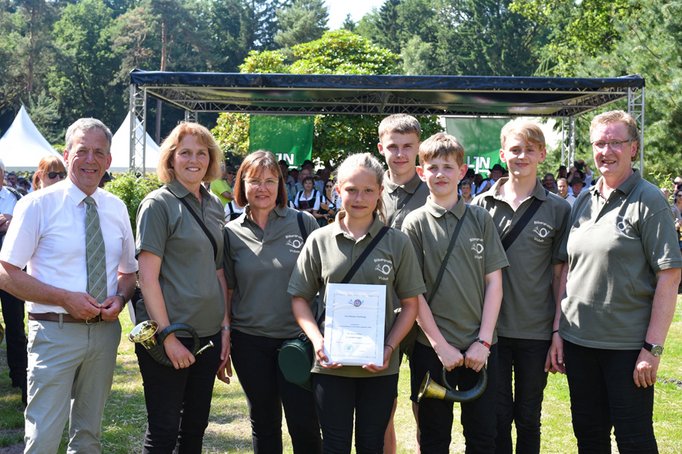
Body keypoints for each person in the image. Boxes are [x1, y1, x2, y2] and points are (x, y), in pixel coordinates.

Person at [0, 118, 137, 453]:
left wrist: (120, 299)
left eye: (99, 152)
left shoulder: (116, 208)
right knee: (43, 437)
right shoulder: (36, 205)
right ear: (66, 154)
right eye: (82, 151)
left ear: (108, 160)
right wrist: (64, 298)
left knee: (89, 437)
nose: (90, 159)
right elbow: (6, 272)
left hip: (104, 336)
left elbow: (128, 273)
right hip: (53, 333)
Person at [556, 110, 682, 452]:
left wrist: (652, 349)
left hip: (627, 349)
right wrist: (557, 332)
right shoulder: (582, 199)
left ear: (634, 148)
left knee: (634, 440)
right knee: (589, 436)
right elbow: (568, 270)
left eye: (616, 142)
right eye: (599, 143)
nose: (606, 151)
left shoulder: (649, 199)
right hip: (579, 343)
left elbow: (669, 278)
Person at [289, 152, 425, 454]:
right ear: (337, 190)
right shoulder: (319, 239)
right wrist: (318, 341)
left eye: (367, 190)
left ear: (379, 193)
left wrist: (388, 348)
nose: (359, 197)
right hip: (330, 367)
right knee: (334, 445)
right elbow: (299, 298)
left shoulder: (397, 242)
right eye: (351, 189)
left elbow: (411, 304)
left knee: (371, 444)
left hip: (379, 367)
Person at [403, 133, 507, 453]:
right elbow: (412, 293)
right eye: (432, 167)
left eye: (448, 167)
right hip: (432, 349)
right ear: (421, 172)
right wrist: (440, 345)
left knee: (483, 435)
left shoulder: (480, 218)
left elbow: (495, 283)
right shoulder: (414, 223)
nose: (440, 174)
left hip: (481, 349)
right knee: (434, 438)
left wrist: (484, 341)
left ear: (462, 171)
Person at [473, 119, 571, 454]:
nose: (522, 156)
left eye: (530, 149)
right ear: (503, 154)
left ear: (542, 154)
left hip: (536, 330)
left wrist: (557, 330)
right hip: (493, 332)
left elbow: (561, 276)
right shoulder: (481, 206)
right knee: (497, 417)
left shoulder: (558, 209)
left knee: (529, 416)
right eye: (515, 149)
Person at [135, 122, 229, 453]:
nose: (194, 160)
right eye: (185, 152)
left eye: (201, 153)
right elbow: (146, 278)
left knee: (194, 430)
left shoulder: (215, 205)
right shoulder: (157, 204)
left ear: (211, 159)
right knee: (163, 432)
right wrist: (168, 336)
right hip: (170, 338)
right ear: (171, 159)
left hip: (208, 337)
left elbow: (218, 270)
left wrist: (225, 329)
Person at [225, 150, 321, 453]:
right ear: (242, 185)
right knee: (264, 424)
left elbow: (325, 282)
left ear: (280, 185)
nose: (262, 188)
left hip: (297, 341)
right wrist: (226, 335)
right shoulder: (230, 233)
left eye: (270, 181)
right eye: (254, 181)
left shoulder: (304, 224)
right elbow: (227, 289)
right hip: (249, 342)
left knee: (304, 423)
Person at [376, 113, 428, 453]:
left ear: (419, 148)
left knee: (426, 402)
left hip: (426, 312)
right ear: (381, 148)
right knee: (382, 406)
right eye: (393, 146)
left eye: (408, 146)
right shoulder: (369, 188)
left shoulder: (436, 188)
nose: (400, 154)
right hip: (380, 312)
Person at [0, 159, 27, 406]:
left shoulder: (16, 197)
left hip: (11, 271)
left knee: (15, 325)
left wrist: (11, 222)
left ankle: (19, 374)